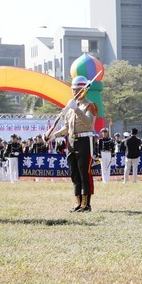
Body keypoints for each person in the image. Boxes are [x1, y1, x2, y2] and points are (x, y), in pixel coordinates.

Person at [45, 76, 97, 212]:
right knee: (74, 173)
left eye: (77, 89)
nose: (74, 92)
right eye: (73, 89)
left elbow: (89, 123)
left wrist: (77, 109)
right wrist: (53, 136)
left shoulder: (89, 105)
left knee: (84, 173)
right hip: (72, 142)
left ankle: (86, 204)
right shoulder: (70, 107)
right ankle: (78, 203)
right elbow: (67, 128)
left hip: (85, 140)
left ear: (84, 90)